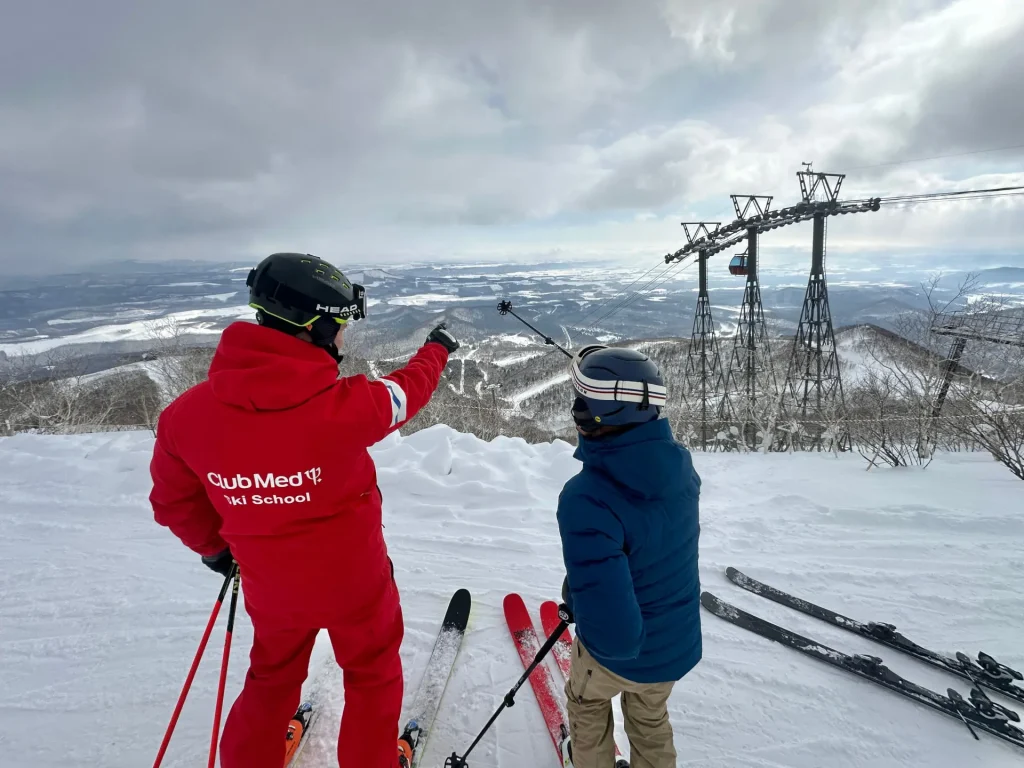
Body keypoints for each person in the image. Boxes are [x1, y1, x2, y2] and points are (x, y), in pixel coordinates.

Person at [149, 253, 459, 768]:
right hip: (356, 583)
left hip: (271, 586)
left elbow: (172, 502)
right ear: (316, 328)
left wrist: (217, 551)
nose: (343, 339)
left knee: (271, 676)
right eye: (340, 328)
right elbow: (408, 391)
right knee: (372, 672)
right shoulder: (349, 408)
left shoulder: (184, 418)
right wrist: (437, 350)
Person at [556, 345, 702, 768]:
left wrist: (578, 598)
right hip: (674, 644)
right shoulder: (680, 471)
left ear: (591, 419)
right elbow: (651, 549)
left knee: (586, 704)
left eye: (582, 404)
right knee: (650, 718)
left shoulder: (587, 497)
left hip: (619, 654)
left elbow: (614, 637)